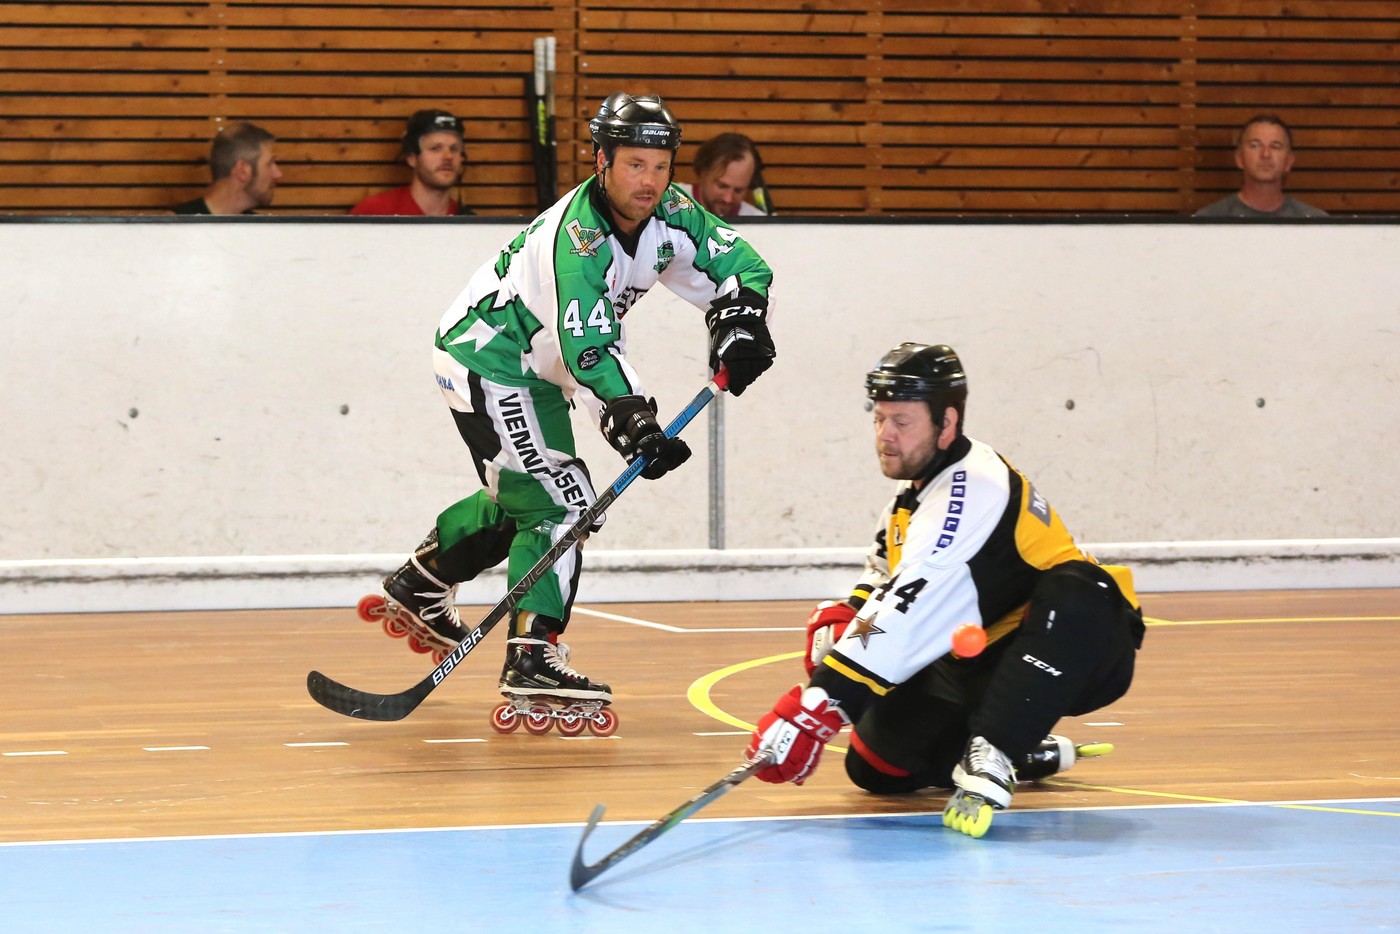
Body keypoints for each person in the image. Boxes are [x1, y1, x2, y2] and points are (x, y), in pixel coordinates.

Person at [375, 92, 777, 715]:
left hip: (538, 363)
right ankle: (532, 656)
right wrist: (633, 419)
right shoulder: (579, 242)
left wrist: (741, 321)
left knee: (533, 492)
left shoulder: (672, 212)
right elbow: (589, 350)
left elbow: (741, 264)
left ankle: (423, 581)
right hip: (493, 360)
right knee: (563, 500)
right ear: (602, 160)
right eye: (634, 164)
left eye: (661, 166)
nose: (649, 181)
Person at [744, 342, 1145, 839]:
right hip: (977, 662)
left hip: (1077, 645)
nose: (884, 435)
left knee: (1078, 589)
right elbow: (883, 574)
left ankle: (998, 749)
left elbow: (904, 609)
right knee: (877, 766)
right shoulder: (912, 495)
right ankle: (1024, 747)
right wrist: (847, 616)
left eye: (902, 421)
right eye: (879, 418)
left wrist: (817, 707)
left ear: (947, 422)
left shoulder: (972, 488)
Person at [1195, 114, 1328, 218]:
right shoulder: (1208, 221)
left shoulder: (1315, 224)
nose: (1265, 154)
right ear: (1239, 158)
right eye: (1255, 146)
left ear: (1289, 161)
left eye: (1275, 146)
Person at [350, 109, 474, 216]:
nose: (448, 156)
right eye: (435, 148)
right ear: (412, 158)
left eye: (454, 149)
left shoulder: (469, 223)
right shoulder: (375, 211)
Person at [172, 122, 281, 215]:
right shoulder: (176, 227)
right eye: (270, 164)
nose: (278, 174)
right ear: (243, 170)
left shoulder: (259, 230)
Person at [677, 132, 772, 218]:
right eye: (722, 186)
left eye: (738, 190)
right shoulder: (670, 202)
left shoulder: (760, 224)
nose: (728, 199)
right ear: (703, 173)